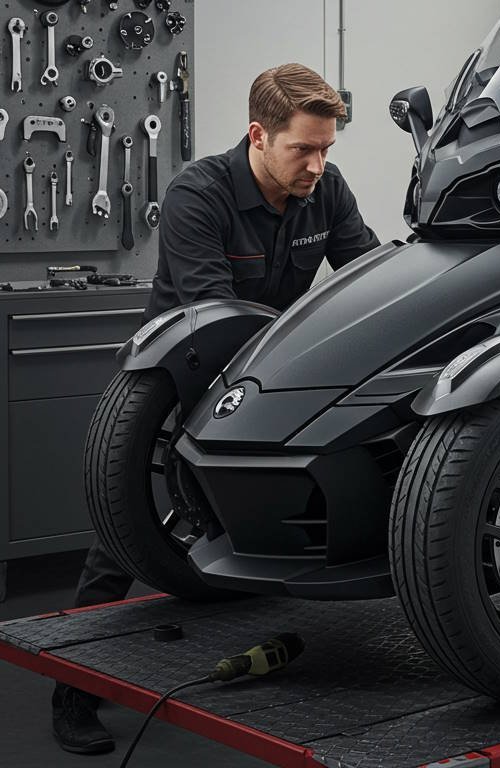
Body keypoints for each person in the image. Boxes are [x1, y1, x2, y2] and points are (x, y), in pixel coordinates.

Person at [52, 62, 380, 755]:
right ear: (259, 135)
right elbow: (216, 316)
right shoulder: (197, 193)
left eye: (327, 150)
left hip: (275, 372)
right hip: (184, 378)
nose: (318, 165)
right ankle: (72, 690)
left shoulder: (328, 190)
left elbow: (366, 279)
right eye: (304, 150)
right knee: (128, 531)